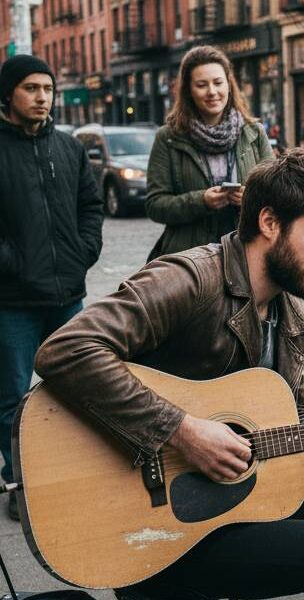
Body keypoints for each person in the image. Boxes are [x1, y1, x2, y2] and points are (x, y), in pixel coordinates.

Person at [33, 149, 304, 599]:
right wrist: (182, 431)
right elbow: (66, 349)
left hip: (230, 498)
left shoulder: (295, 316)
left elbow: (293, 434)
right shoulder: (189, 279)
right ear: (269, 222)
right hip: (157, 519)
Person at [0, 55, 103, 521]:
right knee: (12, 400)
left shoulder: (69, 147)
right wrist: (14, 265)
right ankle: (23, 486)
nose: (42, 97)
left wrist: (84, 251)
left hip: (68, 297)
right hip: (13, 301)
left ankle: (72, 478)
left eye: (48, 88)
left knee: (80, 390)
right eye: (31, 88)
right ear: (8, 94)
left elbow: (91, 206)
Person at [145, 45, 273, 260]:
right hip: (189, 261)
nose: (212, 92)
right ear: (189, 90)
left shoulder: (254, 132)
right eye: (202, 85)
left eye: (218, 82)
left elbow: (276, 195)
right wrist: (201, 201)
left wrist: (250, 199)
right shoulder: (167, 137)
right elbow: (155, 205)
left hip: (246, 257)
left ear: (229, 85)